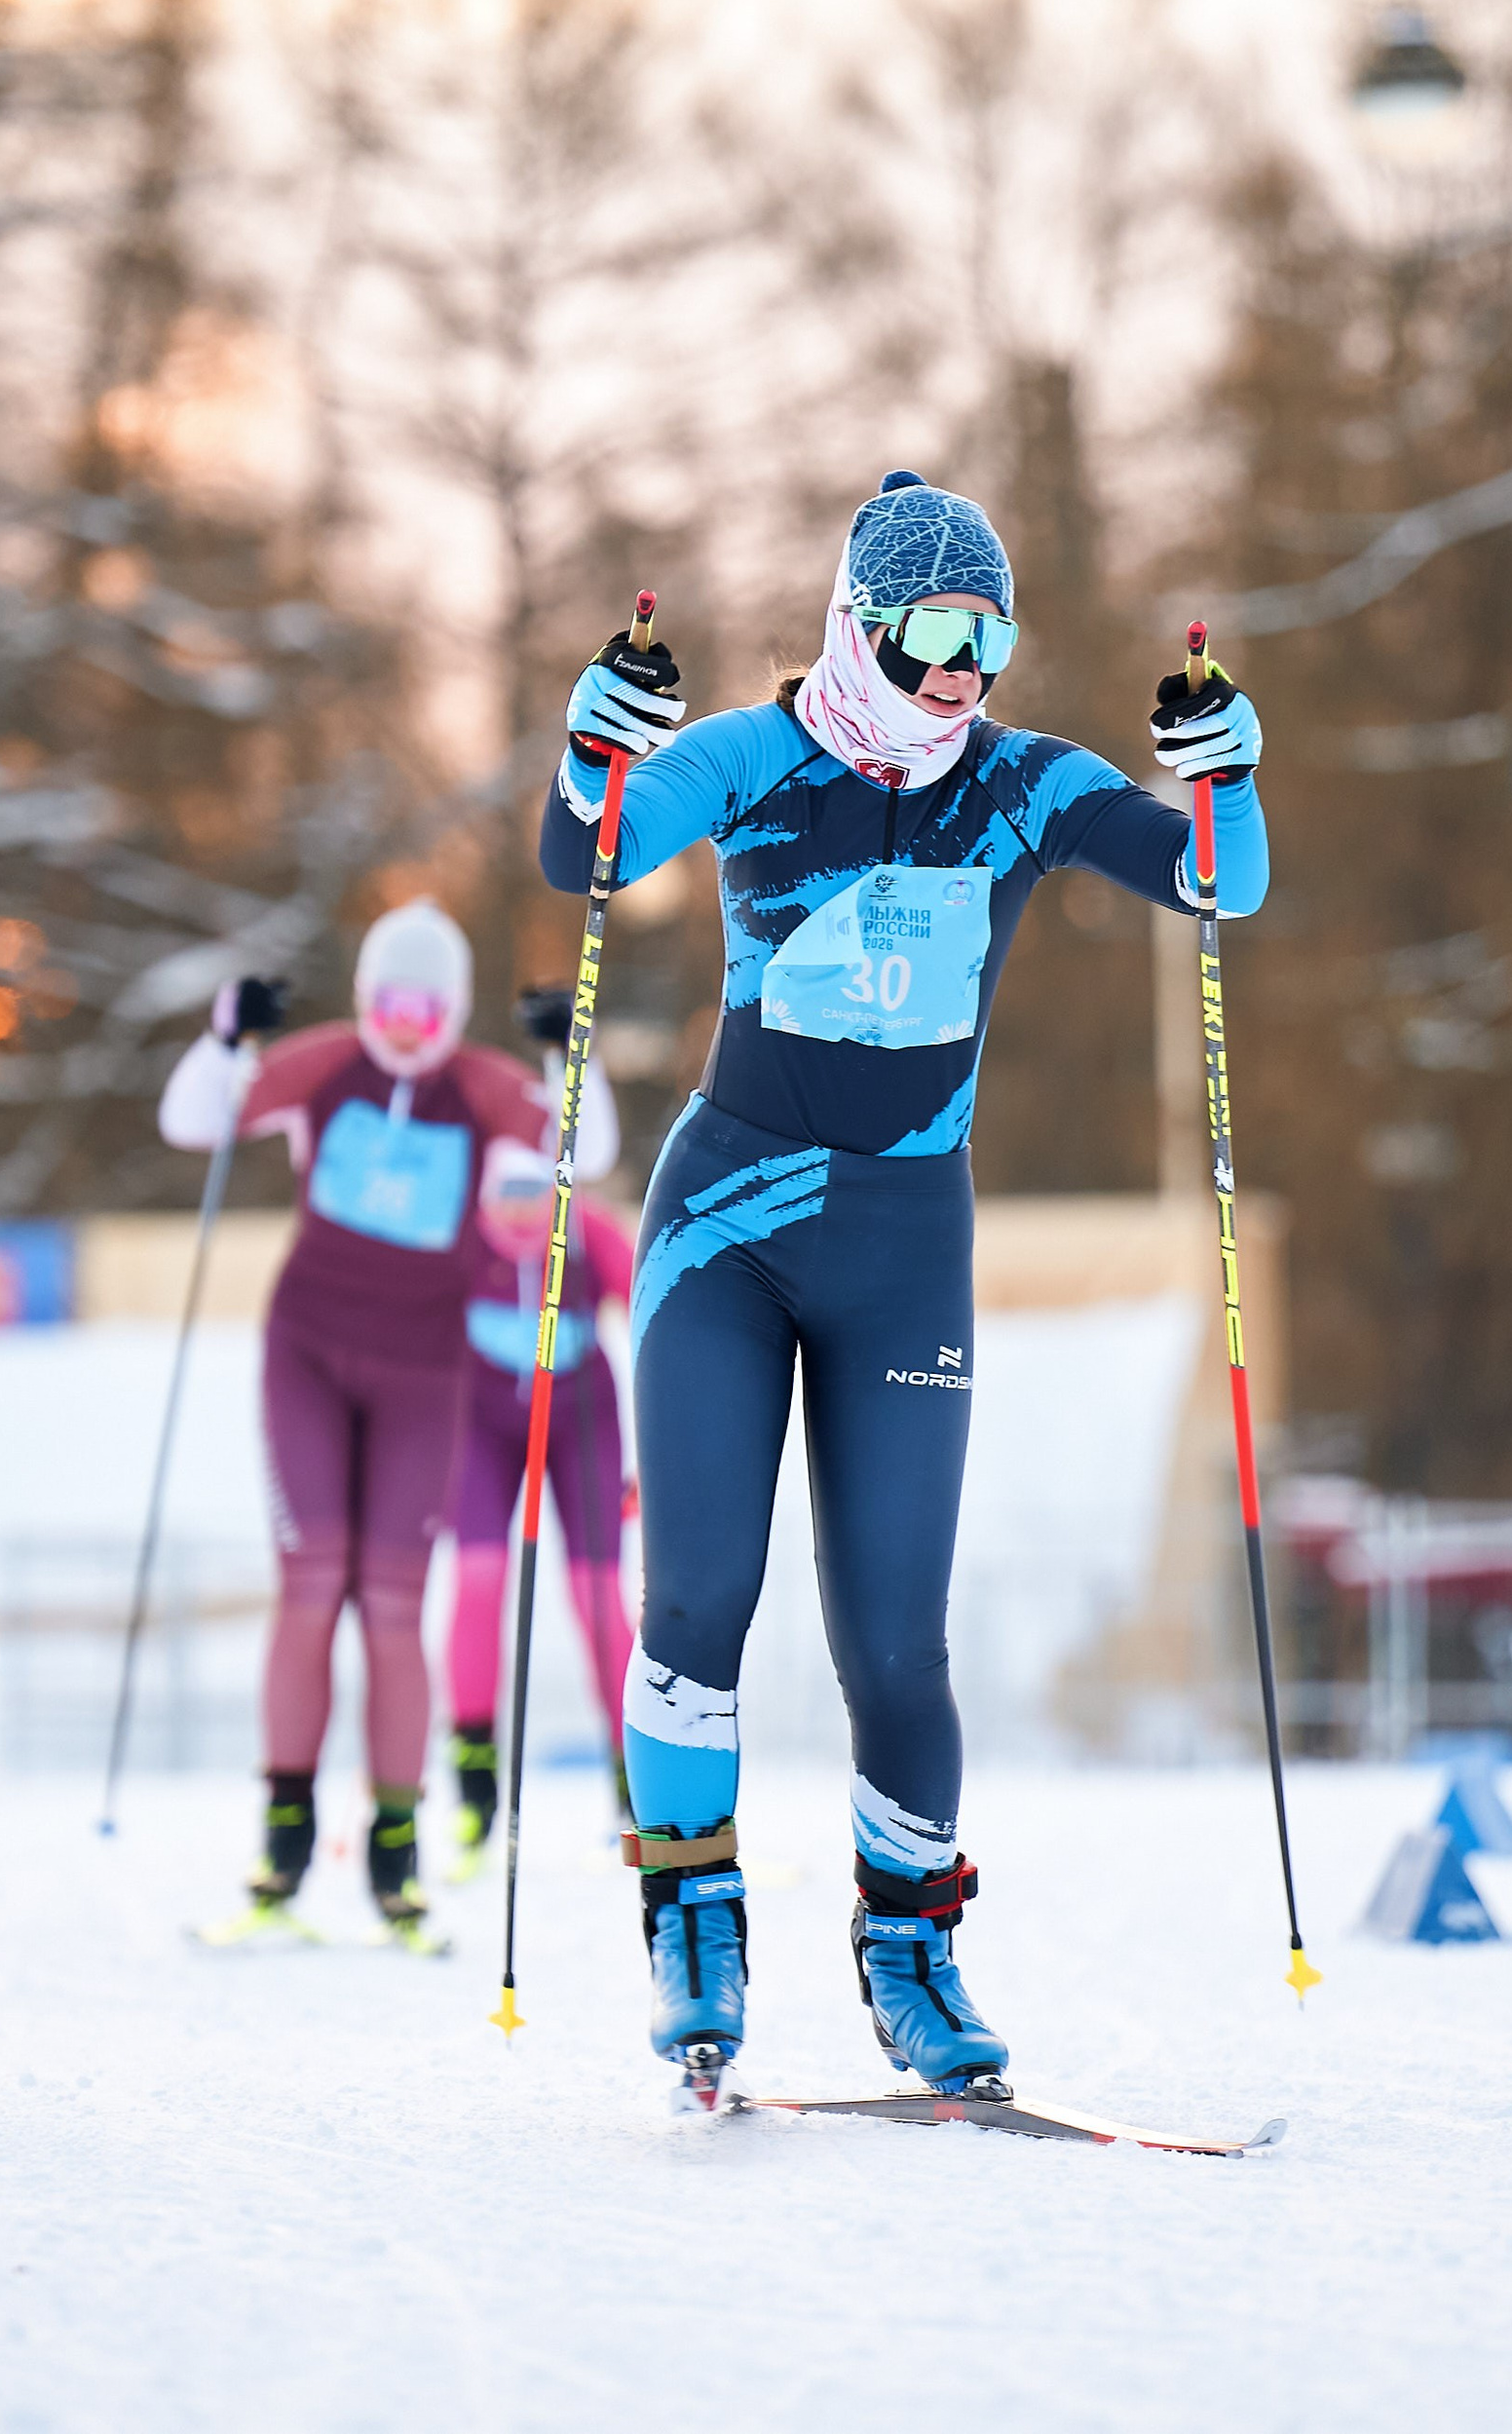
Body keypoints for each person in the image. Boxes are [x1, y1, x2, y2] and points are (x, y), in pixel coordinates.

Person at [542, 470, 1270, 2098]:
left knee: (898, 1647)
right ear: (859, 626)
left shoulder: (1016, 783)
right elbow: (583, 859)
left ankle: (911, 1951)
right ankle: (697, 1920)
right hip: (725, 1232)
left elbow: (1222, 885)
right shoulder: (754, 753)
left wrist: (1227, 777)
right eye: (936, 632)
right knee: (696, 1603)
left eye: (990, 637)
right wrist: (597, 748)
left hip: (901, 1252)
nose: (964, 672)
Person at [157, 900, 548, 1949]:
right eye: (386, 1002)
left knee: (389, 1603)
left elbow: (578, 1136)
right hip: (308, 1358)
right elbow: (194, 1120)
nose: (404, 1025)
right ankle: (278, 1859)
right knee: (309, 1581)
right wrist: (225, 1035)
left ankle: (394, 1863)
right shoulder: (327, 1067)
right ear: (365, 997)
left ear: (453, 1009)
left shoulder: (475, 1086)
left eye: (425, 1006)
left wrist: (573, 1058)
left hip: (425, 1373)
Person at [444, 1135, 637, 1880]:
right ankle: (473, 1784)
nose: (523, 1216)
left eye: (537, 1197)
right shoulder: (458, 1242)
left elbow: (659, 1310)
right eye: (506, 1200)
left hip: (581, 1419)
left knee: (595, 1597)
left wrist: (662, 1450)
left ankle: (636, 1781)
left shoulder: (588, 1232)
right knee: (479, 1581)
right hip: (481, 1425)